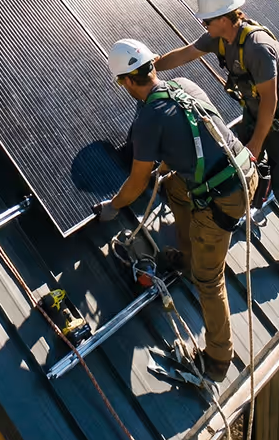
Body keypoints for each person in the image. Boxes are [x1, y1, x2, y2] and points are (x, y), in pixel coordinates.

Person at [94, 38, 257, 383]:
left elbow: (137, 182)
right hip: (244, 169)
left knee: (209, 279)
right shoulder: (184, 84)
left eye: (121, 82)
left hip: (227, 195)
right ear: (152, 66)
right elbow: (196, 136)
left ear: (127, 81)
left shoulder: (148, 120)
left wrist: (113, 206)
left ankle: (218, 359)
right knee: (175, 187)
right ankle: (187, 256)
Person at [155, 0, 279, 283]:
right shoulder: (220, 38)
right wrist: (152, 68)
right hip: (255, 116)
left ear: (225, 18)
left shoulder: (257, 47)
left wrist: (254, 145)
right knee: (224, 163)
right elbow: (187, 53)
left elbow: (270, 101)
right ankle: (228, 211)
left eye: (207, 20)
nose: (204, 25)